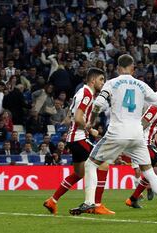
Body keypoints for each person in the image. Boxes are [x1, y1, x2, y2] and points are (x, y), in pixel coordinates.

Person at [69, 55, 157, 220]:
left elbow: (98, 104)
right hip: (136, 134)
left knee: (91, 164)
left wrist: (91, 121)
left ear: (118, 68)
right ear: (133, 69)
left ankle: (89, 202)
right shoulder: (142, 85)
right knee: (149, 172)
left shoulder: (111, 83)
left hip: (116, 133)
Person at [43, 68, 111, 215]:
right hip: (79, 137)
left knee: (79, 173)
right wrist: (89, 129)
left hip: (73, 138)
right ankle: (97, 205)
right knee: (104, 164)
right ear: (93, 80)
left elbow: (69, 116)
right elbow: (79, 118)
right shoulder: (86, 94)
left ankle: (52, 200)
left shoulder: (81, 92)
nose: (103, 83)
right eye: (101, 80)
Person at [125, 105, 157, 208]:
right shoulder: (153, 109)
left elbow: (155, 131)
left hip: (149, 145)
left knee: (149, 173)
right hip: (144, 145)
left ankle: (132, 199)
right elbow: (142, 125)